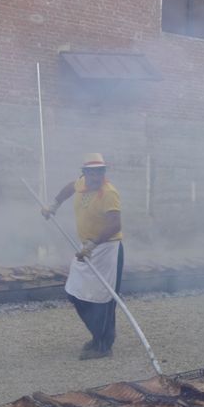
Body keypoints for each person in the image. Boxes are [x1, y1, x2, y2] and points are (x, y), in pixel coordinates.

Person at [41, 153, 124, 360]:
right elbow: (69, 188)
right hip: (86, 247)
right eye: (92, 172)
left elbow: (115, 224)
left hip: (106, 249)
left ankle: (103, 344)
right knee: (75, 291)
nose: (97, 175)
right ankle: (98, 335)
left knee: (102, 299)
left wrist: (93, 244)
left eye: (100, 171)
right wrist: (54, 206)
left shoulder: (108, 192)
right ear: (84, 173)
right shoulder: (80, 184)